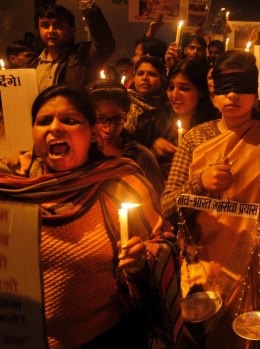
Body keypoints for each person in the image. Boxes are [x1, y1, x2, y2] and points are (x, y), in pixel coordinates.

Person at [0, 85, 186, 348]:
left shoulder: (121, 184)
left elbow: (167, 246)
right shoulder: (15, 189)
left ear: (91, 132)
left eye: (69, 120)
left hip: (109, 337)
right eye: (44, 121)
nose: (55, 127)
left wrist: (141, 259)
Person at [160, 51, 260, 348]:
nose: (233, 96)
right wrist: (200, 183)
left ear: (256, 92)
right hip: (204, 262)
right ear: (213, 95)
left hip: (259, 263)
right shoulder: (195, 139)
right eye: (225, 88)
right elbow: (167, 206)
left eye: (242, 87)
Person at [134, 58, 214, 177]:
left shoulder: (213, 125)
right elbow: (133, 161)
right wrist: (151, 152)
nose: (174, 95)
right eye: (171, 87)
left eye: (184, 88)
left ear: (201, 91)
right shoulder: (149, 121)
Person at [87, 79, 165, 195]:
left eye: (117, 119)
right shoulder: (81, 153)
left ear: (126, 116)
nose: (109, 128)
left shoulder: (141, 157)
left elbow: (158, 201)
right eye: (101, 119)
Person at [31, 2, 114, 91]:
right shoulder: (32, 63)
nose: (51, 30)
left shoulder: (82, 56)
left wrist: (87, 6)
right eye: (45, 25)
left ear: (72, 31)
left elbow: (104, 44)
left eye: (58, 25)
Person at [124, 55, 167, 134]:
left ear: (161, 79)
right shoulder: (123, 101)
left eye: (151, 74)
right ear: (134, 78)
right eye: (140, 74)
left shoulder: (168, 106)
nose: (145, 78)